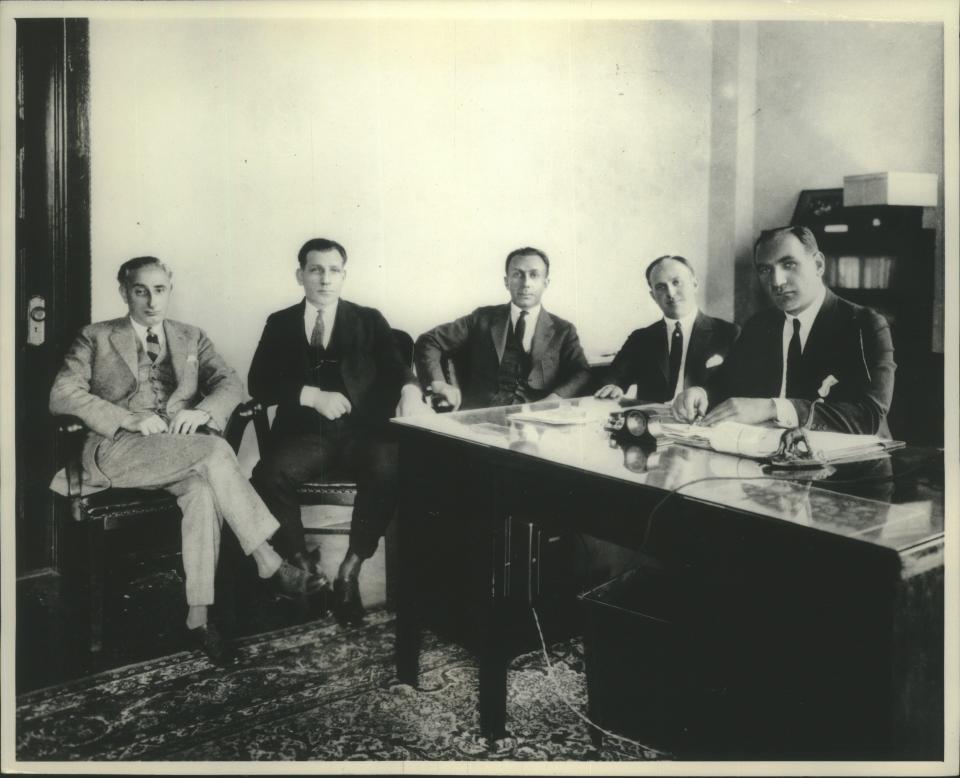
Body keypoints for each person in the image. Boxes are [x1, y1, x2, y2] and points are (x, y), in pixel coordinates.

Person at [49, 257, 324, 667]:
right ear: (124, 292)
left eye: (159, 290)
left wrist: (204, 412)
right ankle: (268, 561)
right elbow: (62, 394)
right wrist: (126, 417)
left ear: (170, 290)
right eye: (140, 290)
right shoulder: (96, 337)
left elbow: (230, 383)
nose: (151, 300)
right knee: (214, 451)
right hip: (120, 450)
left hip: (177, 451)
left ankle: (199, 617)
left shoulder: (191, 337)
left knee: (201, 490)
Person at [248, 238, 428, 627]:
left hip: (364, 432)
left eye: (333, 271)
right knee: (268, 474)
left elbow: (399, 368)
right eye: (315, 270)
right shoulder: (279, 323)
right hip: (306, 436)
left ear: (344, 276)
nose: (325, 279)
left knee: (389, 466)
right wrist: (310, 395)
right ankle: (303, 571)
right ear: (301, 275)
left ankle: (350, 569)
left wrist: (411, 390)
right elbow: (259, 382)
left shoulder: (369, 319)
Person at [673, 226, 896, 436]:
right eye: (765, 270)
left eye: (788, 264)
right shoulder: (760, 325)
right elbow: (725, 383)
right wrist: (701, 393)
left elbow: (870, 416)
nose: (776, 281)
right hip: (770, 460)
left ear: (818, 265)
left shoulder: (864, 325)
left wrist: (773, 408)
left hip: (851, 469)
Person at [415, 246, 591, 410]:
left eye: (534, 275)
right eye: (517, 275)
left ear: (546, 283)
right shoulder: (481, 318)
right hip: (482, 419)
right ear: (506, 282)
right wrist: (438, 383)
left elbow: (581, 372)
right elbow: (429, 340)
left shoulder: (563, 330)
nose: (525, 283)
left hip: (538, 421)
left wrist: (555, 398)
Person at [594, 255, 740, 403]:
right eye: (661, 287)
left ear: (695, 284)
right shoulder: (641, 338)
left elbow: (739, 387)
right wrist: (614, 387)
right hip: (653, 421)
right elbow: (612, 379)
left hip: (705, 421)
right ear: (653, 296)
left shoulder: (728, 333)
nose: (670, 293)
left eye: (676, 282)